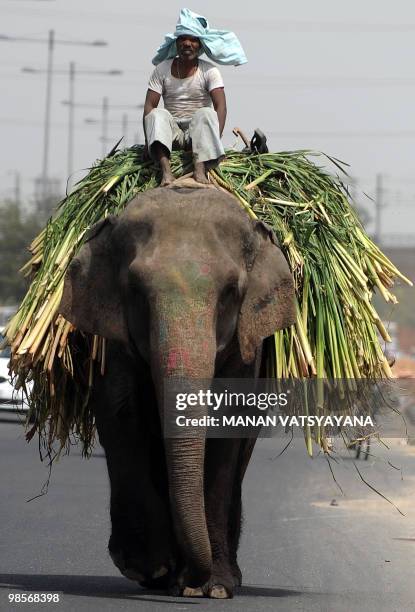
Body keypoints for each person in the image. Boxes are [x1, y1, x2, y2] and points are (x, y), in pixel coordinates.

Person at [143, 8, 247, 186]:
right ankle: (166, 172)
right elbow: (149, 106)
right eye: (183, 38)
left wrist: (216, 137)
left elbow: (220, 106)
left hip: (198, 135)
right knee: (156, 114)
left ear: (200, 45)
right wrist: (148, 140)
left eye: (193, 40)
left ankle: (200, 171)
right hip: (171, 134)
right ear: (176, 43)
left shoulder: (210, 71)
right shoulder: (162, 70)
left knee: (205, 113)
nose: (187, 43)